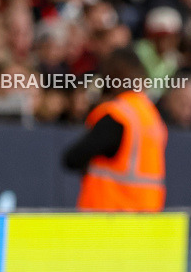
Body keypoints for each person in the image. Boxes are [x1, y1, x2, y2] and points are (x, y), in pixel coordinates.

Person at [62, 48, 167, 211]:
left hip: (110, 221)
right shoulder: (151, 115)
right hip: (146, 221)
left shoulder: (119, 115)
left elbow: (72, 158)